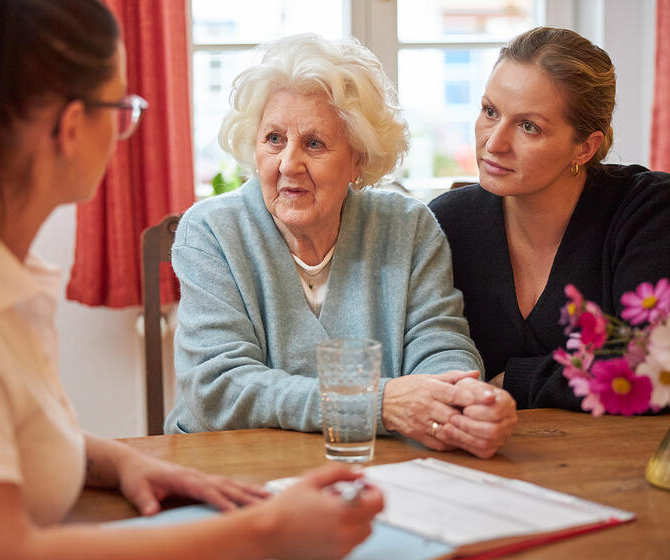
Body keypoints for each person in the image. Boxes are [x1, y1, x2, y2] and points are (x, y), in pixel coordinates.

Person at [0, 2, 384, 559]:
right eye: (121, 105)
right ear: (72, 128)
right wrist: (264, 533)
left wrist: (125, 462)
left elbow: (8, 434)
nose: (126, 128)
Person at [165, 33, 517, 459]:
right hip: (233, 468)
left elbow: (439, 342)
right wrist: (378, 404)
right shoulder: (212, 232)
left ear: (359, 159)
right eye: (274, 139)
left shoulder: (408, 227)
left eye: (314, 144)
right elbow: (217, 389)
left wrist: (457, 399)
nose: (289, 163)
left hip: (373, 468)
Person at [429, 26, 670, 411]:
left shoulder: (651, 209)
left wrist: (515, 381)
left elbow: (664, 369)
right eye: (490, 111)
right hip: (484, 457)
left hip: (621, 461)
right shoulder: (447, 221)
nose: (493, 143)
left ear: (584, 147)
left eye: (529, 126)